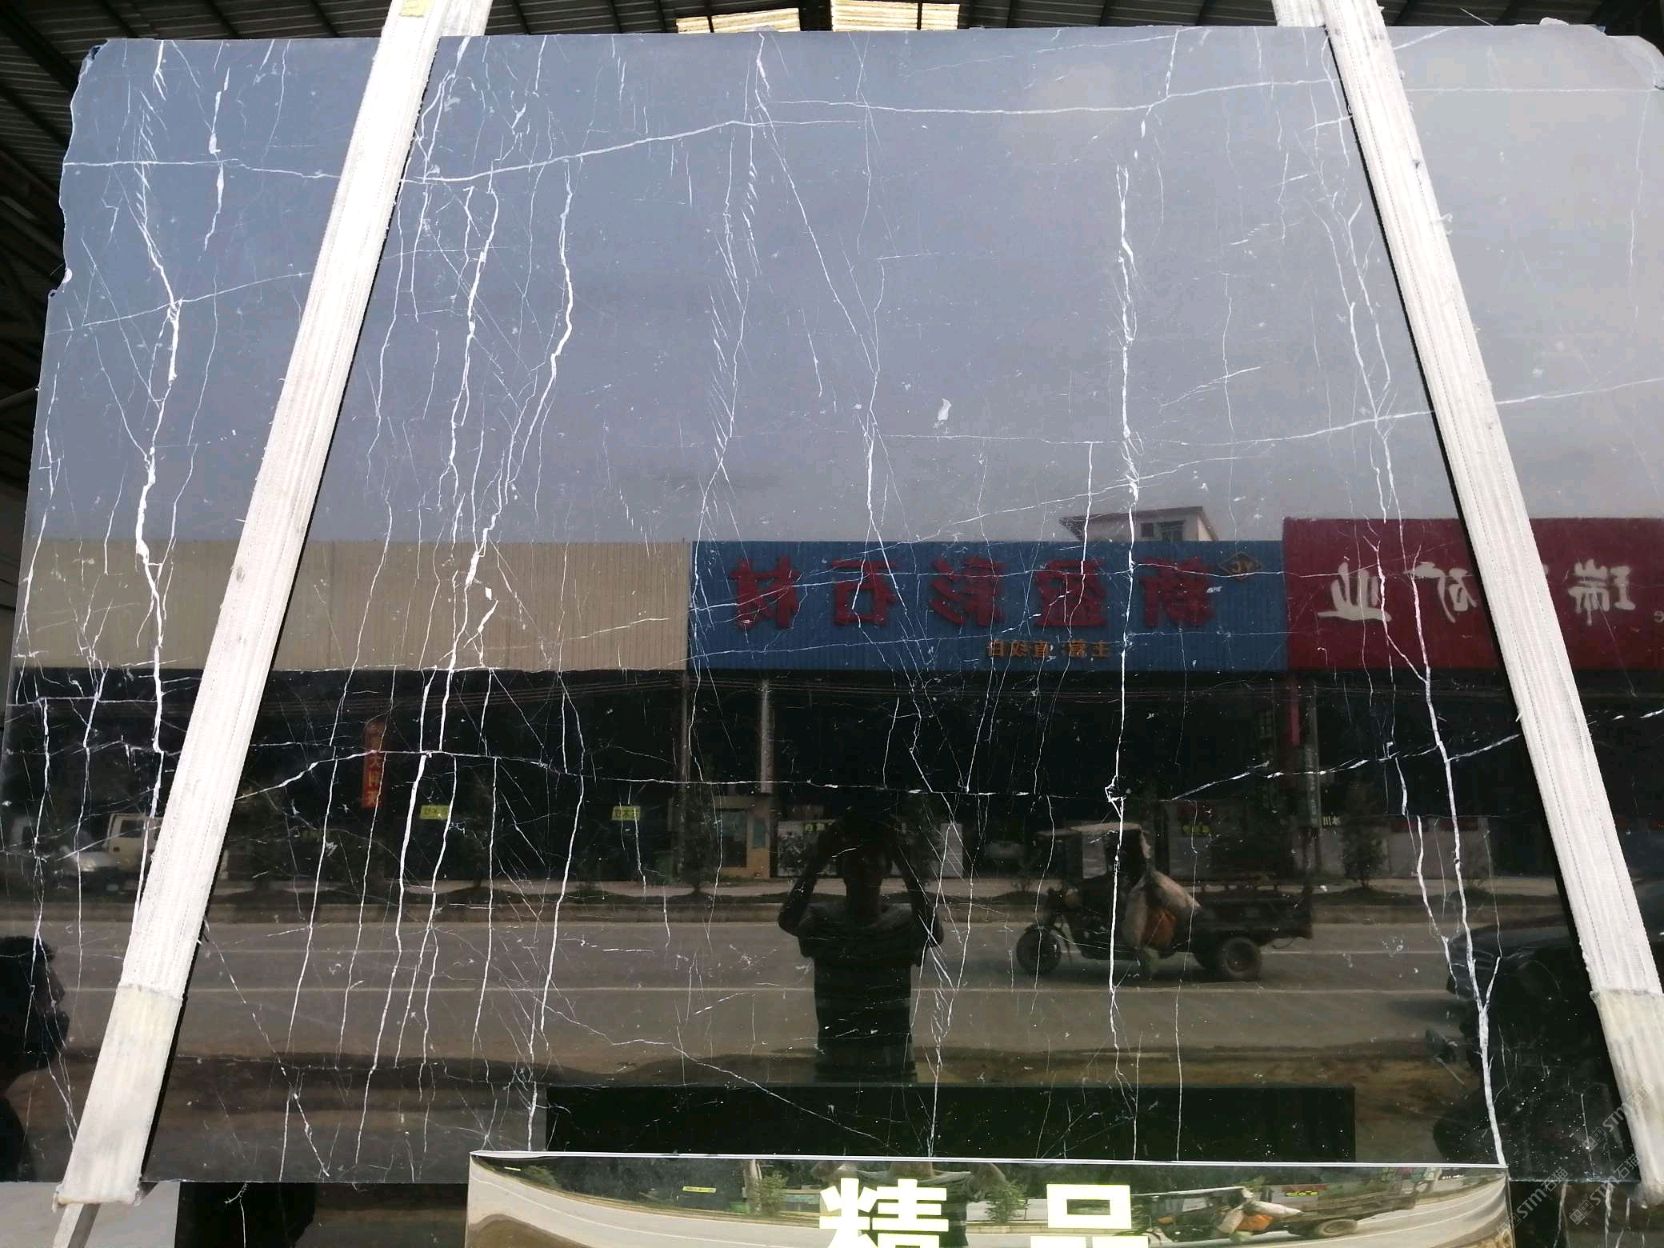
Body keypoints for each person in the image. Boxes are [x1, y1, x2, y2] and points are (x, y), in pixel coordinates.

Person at [778, 804, 943, 1083]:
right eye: (856, 859)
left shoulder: (898, 924)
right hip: (856, 1074)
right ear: (843, 869)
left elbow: (933, 933)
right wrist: (818, 860)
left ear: (885, 868)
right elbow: (788, 919)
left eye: (872, 857)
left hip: (879, 1075)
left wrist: (820, 859)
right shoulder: (825, 921)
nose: (864, 866)